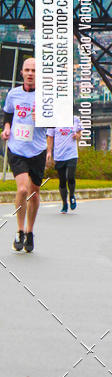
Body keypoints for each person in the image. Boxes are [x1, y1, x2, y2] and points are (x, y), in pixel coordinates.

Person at [2, 58, 51, 253]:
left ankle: (30, 231)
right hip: (17, 148)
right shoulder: (13, 94)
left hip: (37, 149)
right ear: (21, 72)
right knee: (22, 189)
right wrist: (7, 128)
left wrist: (43, 119)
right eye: (27, 70)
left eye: (34, 70)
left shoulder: (46, 97)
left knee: (34, 192)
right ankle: (20, 230)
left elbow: (55, 124)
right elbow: (8, 114)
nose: (30, 73)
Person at [46, 112, 82, 213]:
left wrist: (77, 136)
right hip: (59, 155)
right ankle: (64, 204)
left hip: (72, 154)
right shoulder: (54, 120)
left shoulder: (75, 119)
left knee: (70, 177)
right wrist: (49, 152)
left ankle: (72, 196)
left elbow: (80, 133)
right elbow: (50, 137)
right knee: (62, 180)